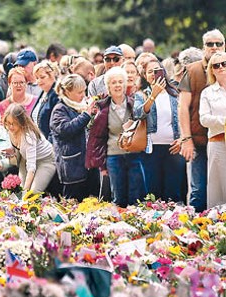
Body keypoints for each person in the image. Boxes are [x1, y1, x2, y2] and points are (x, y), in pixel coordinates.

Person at [179, 29, 225, 212]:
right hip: (199, 139)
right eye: (210, 44)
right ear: (203, 46)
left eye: (218, 43)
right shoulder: (192, 70)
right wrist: (186, 139)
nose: (214, 47)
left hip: (222, 139)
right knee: (199, 190)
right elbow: (182, 107)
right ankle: (196, 234)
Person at [87, 67, 147, 207]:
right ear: (108, 86)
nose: (118, 85)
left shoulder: (134, 104)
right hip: (113, 156)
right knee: (119, 198)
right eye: (114, 82)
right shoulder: (103, 109)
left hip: (134, 154)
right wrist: (101, 165)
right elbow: (98, 138)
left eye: (120, 82)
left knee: (135, 197)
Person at [133, 60, 185, 203]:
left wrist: (182, 139)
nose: (154, 74)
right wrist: (153, 96)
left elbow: (184, 118)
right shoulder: (141, 95)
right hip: (151, 149)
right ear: (144, 76)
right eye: (150, 71)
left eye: (157, 70)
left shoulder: (175, 93)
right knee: (153, 193)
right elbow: (138, 113)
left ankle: (175, 222)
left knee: (173, 193)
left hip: (173, 147)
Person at [50, 74, 98, 201]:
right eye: (79, 92)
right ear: (67, 92)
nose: (83, 95)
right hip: (72, 168)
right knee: (73, 204)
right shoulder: (59, 110)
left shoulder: (79, 107)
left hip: (87, 166)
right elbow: (67, 129)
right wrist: (86, 114)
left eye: (84, 91)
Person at [3, 103, 56, 193]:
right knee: (19, 191)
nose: (10, 127)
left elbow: (31, 167)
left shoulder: (28, 136)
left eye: (14, 123)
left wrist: (26, 191)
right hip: (25, 160)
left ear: (21, 122)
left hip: (45, 160)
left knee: (33, 192)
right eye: (8, 123)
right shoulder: (9, 131)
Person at [199, 51, 226, 209]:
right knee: (217, 183)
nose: (221, 67)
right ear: (212, 70)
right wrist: (223, 122)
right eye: (217, 65)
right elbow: (204, 118)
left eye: (224, 63)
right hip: (218, 141)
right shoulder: (207, 93)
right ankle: (217, 223)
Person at [30, 61, 60, 141]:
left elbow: (56, 125)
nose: (39, 81)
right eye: (37, 78)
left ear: (52, 75)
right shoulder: (43, 93)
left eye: (42, 77)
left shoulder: (56, 95)